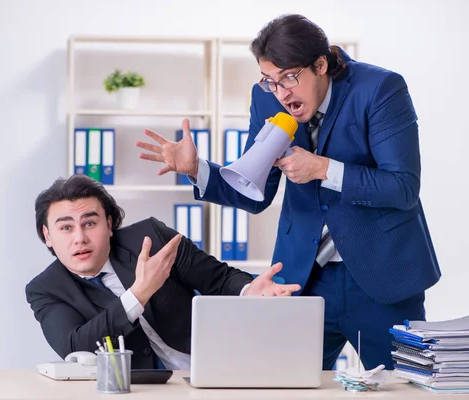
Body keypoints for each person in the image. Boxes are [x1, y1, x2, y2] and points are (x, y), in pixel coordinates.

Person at [136, 14, 441, 370]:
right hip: (303, 279)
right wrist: (196, 168)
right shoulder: (266, 99)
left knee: (402, 390)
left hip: (382, 276)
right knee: (283, 383)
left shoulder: (380, 89)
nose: (282, 93)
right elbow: (255, 193)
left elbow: (402, 187)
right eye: (270, 80)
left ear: (321, 64)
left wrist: (323, 168)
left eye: (290, 78)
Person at [25, 175, 300, 370]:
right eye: (66, 228)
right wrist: (138, 294)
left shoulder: (151, 237)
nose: (80, 238)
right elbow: (76, 346)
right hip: (137, 390)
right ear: (47, 235)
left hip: (217, 370)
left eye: (90, 223)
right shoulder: (46, 288)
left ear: (109, 224)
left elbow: (219, 279)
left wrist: (248, 290)